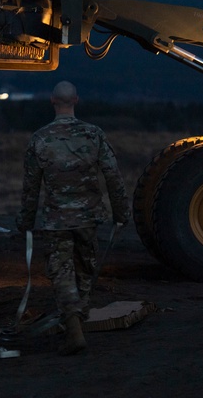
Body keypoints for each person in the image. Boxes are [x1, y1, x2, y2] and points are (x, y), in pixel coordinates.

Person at [16, 80, 129, 355]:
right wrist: (121, 212)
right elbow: (113, 176)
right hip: (88, 218)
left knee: (62, 272)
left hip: (56, 220)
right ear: (76, 100)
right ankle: (78, 319)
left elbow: (31, 186)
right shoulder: (94, 135)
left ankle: (73, 324)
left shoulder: (40, 138)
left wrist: (26, 221)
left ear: (53, 101)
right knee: (85, 268)